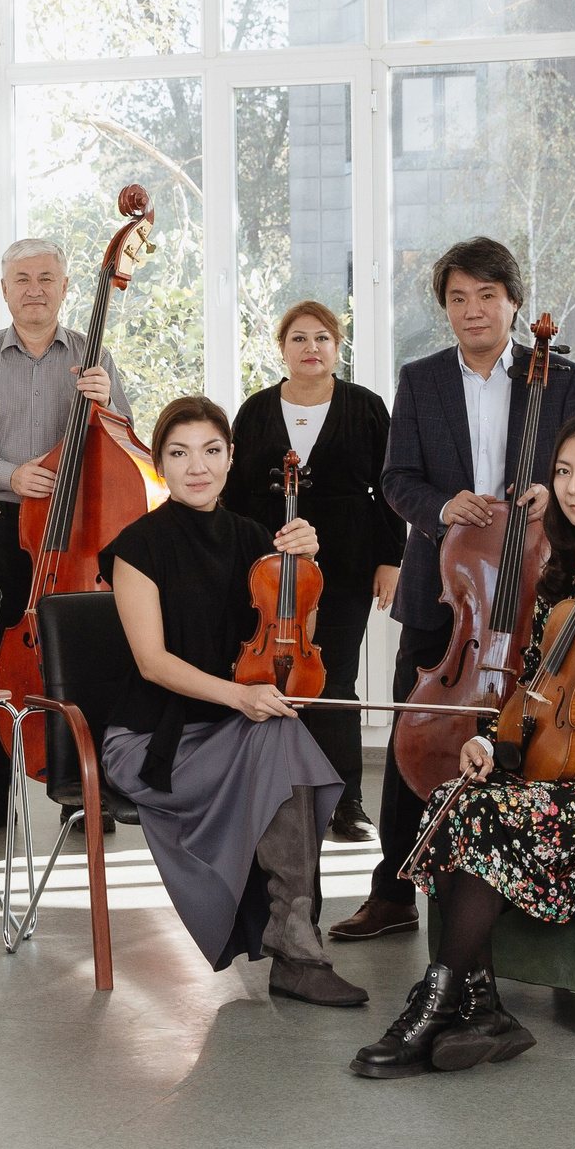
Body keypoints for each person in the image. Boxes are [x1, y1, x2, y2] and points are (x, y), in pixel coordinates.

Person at [351, 413, 575, 1077]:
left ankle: (438, 1002)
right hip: (563, 763)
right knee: (454, 795)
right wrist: (489, 739)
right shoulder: (558, 574)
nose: (574, 485)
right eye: (564, 470)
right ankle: (483, 1008)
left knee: (498, 813)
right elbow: (536, 683)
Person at [330, 237, 575, 943]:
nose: (472, 310)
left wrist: (554, 493)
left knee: (529, 736)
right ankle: (391, 891)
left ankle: (522, 883)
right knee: (423, 729)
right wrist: (443, 508)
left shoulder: (559, 379)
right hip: (447, 588)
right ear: (445, 307)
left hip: (533, 584)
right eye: (458, 298)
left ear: (513, 300)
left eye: (486, 295)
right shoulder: (421, 378)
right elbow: (397, 479)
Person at [103, 397, 367, 1007]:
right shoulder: (136, 547)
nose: (197, 467)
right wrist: (240, 698)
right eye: (179, 453)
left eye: (211, 451)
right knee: (282, 742)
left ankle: (297, 942)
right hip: (152, 741)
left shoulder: (255, 538)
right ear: (158, 463)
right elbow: (152, 663)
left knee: (283, 737)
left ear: (230, 458)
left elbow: (291, 639)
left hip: (233, 729)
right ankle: (296, 950)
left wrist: (304, 567)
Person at [0, 237, 132, 836]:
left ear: (66, 286)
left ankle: (80, 789)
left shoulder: (93, 356)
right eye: (21, 279)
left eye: (46, 277)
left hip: (76, 535)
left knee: (75, 659)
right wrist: (11, 474)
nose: (34, 289)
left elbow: (126, 446)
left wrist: (111, 404)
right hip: (3, 526)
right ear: (4, 290)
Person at [228, 300, 402, 843]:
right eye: (299, 338)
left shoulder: (367, 407)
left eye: (323, 338)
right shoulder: (255, 411)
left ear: (337, 348)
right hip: (267, 574)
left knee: (336, 681)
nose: (311, 348)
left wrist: (390, 560)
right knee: (265, 679)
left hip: (347, 566)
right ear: (281, 348)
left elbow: (391, 490)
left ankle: (345, 799)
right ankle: (272, 789)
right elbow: (233, 496)